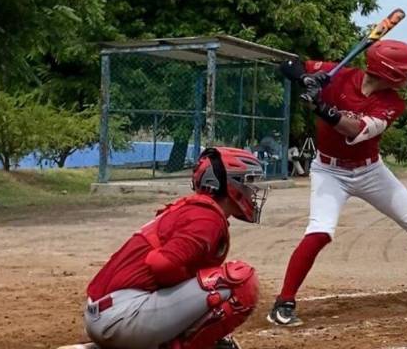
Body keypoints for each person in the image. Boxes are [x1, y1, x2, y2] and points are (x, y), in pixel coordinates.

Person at [267, 40, 407, 327]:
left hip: (370, 172)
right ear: (389, 72)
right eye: (406, 71)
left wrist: (321, 106)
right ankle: (284, 301)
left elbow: (354, 129)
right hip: (329, 171)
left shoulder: (393, 102)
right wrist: (304, 78)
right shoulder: (338, 75)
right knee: (320, 231)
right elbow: (288, 62)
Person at [83, 147, 268, 349]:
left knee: (202, 285)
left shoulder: (196, 209)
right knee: (240, 281)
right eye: (248, 181)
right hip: (121, 315)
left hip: (112, 311)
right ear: (229, 184)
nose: (252, 190)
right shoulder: (207, 219)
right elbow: (161, 264)